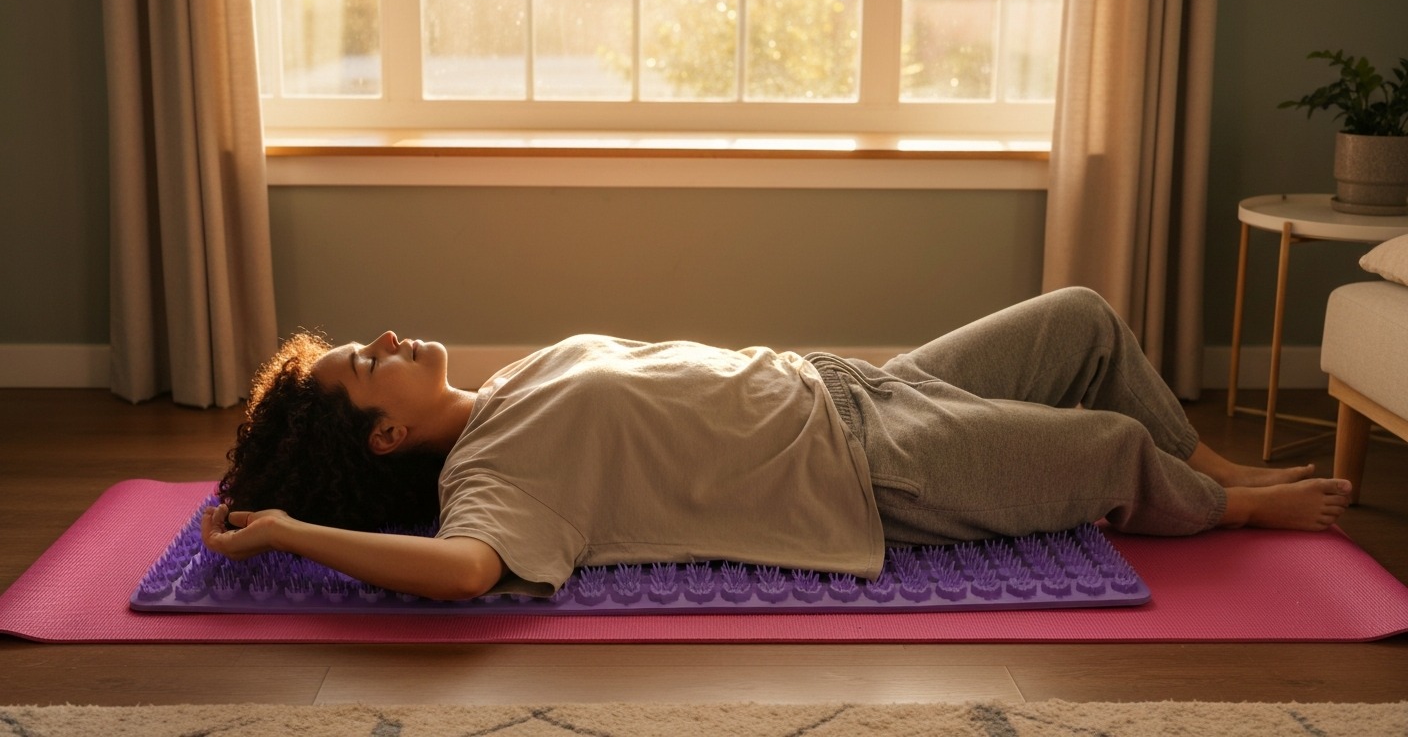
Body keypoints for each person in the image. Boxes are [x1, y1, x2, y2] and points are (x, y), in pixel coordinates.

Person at [201, 287, 1352, 601]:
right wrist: (300, 531)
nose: (389, 334)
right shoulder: (495, 477)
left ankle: (1209, 468)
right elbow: (464, 574)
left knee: (1083, 319)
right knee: (1102, 448)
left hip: (857, 387)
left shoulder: (514, 389)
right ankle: (1231, 509)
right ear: (388, 431)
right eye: (367, 360)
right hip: (873, 470)